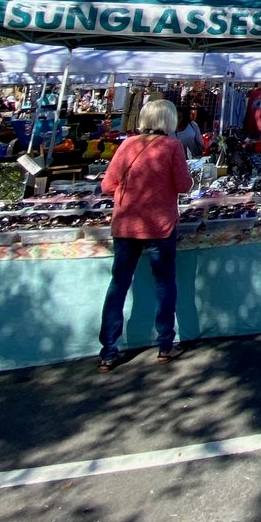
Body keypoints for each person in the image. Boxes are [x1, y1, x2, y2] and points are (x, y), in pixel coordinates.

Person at [98, 97, 192, 370]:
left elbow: (107, 184)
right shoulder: (172, 146)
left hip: (126, 223)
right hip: (159, 225)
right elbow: (184, 185)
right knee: (164, 283)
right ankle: (164, 344)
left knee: (118, 285)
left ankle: (108, 350)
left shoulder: (127, 144)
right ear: (169, 120)